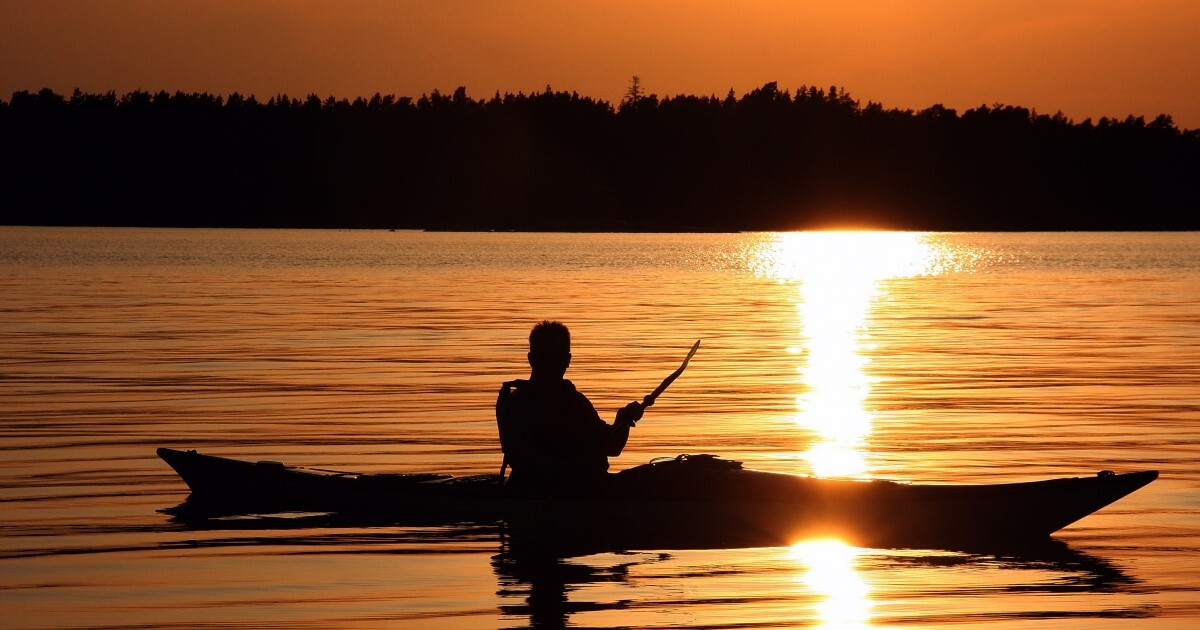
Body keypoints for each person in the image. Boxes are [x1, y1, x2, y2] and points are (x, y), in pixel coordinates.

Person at [497, 321, 644, 495]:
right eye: (546, 356)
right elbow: (524, 461)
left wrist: (624, 421)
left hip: (585, 487)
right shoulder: (518, 404)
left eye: (558, 357)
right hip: (540, 492)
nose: (552, 363)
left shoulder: (575, 401)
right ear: (532, 359)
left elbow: (611, 447)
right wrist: (579, 468)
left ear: (567, 360)